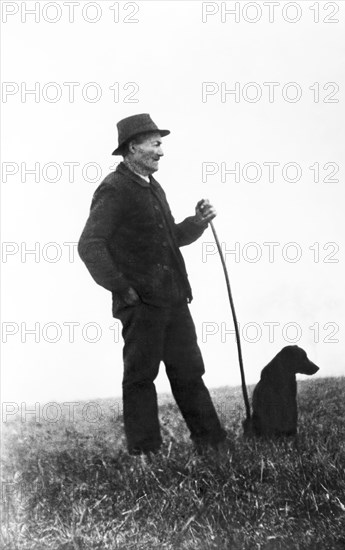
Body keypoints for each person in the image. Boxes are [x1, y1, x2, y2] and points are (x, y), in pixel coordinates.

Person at [78, 113, 227, 456]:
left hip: (174, 299)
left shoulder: (153, 186)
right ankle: (146, 453)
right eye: (156, 144)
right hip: (141, 304)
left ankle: (213, 444)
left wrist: (197, 223)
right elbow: (90, 244)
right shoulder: (114, 188)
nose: (162, 151)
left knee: (189, 371)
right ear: (133, 147)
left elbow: (168, 238)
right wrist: (122, 288)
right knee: (141, 378)